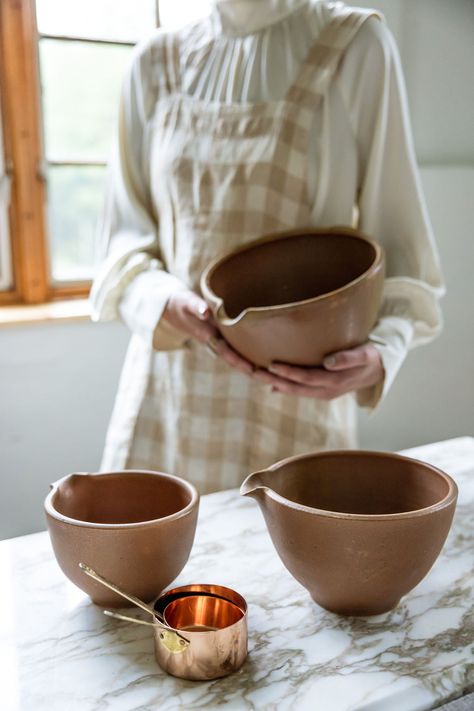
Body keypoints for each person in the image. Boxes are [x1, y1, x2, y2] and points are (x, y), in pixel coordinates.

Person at [90, 0, 444, 494]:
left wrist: (383, 351)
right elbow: (123, 242)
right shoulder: (155, 61)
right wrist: (158, 299)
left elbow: (402, 251)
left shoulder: (354, 45)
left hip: (298, 396)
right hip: (171, 397)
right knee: (152, 567)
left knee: (290, 564)